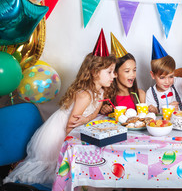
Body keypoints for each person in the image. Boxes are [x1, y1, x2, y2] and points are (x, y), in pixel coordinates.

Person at [4, 30, 117, 185]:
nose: (114, 76)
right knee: (59, 170)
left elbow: (92, 115)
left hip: (73, 129)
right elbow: (70, 127)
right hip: (60, 134)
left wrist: (86, 119)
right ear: (94, 72)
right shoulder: (85, 95)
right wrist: (79, 148)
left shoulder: (100, 91)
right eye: (110, 72)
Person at [146, 36, 182, 114]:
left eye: (171, 76)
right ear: (153, 75)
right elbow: (154, 115)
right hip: (164, 125)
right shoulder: (150, 93)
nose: (167, 82)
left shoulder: (176, 82)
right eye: (162, 78)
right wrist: (159, 110)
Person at [100, 33, 145, 115]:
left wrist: (152, 111)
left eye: (134, 70)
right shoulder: (106, 95)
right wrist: (103, 110)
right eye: (127, 71)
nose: (132, 74)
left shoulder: (140, 94)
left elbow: (144, 118)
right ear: (115, 73)